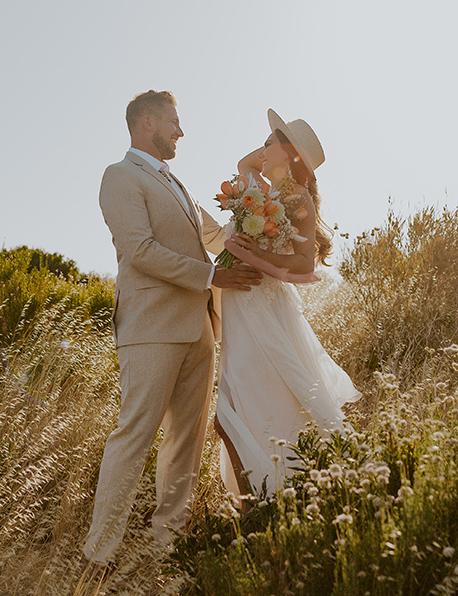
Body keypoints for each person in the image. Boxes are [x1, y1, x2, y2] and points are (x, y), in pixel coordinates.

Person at [84, 91, 262, 565]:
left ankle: (169, 543)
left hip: (198, 329)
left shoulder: (176, 183)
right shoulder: (119, 178)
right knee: (134, 436)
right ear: (147, 124)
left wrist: (265, 228)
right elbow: (139, 249)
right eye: (174, 123)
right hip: (151, 328)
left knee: (188, 438)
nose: (181, 132)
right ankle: (100, 553)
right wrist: (212, 276)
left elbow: (212, 236)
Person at [214, 109, 361, 497]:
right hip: (238, 307)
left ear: (289, 152)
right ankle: (263, 496)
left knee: (250, 404)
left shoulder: (298, 201)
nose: (261, 146)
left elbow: (302, 262)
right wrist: (274, 152)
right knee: (243, 400)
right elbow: (245, 163)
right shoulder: (257, 191)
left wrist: (254, 256)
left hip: (263, 304)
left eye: (270, 140)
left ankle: (270, 492)